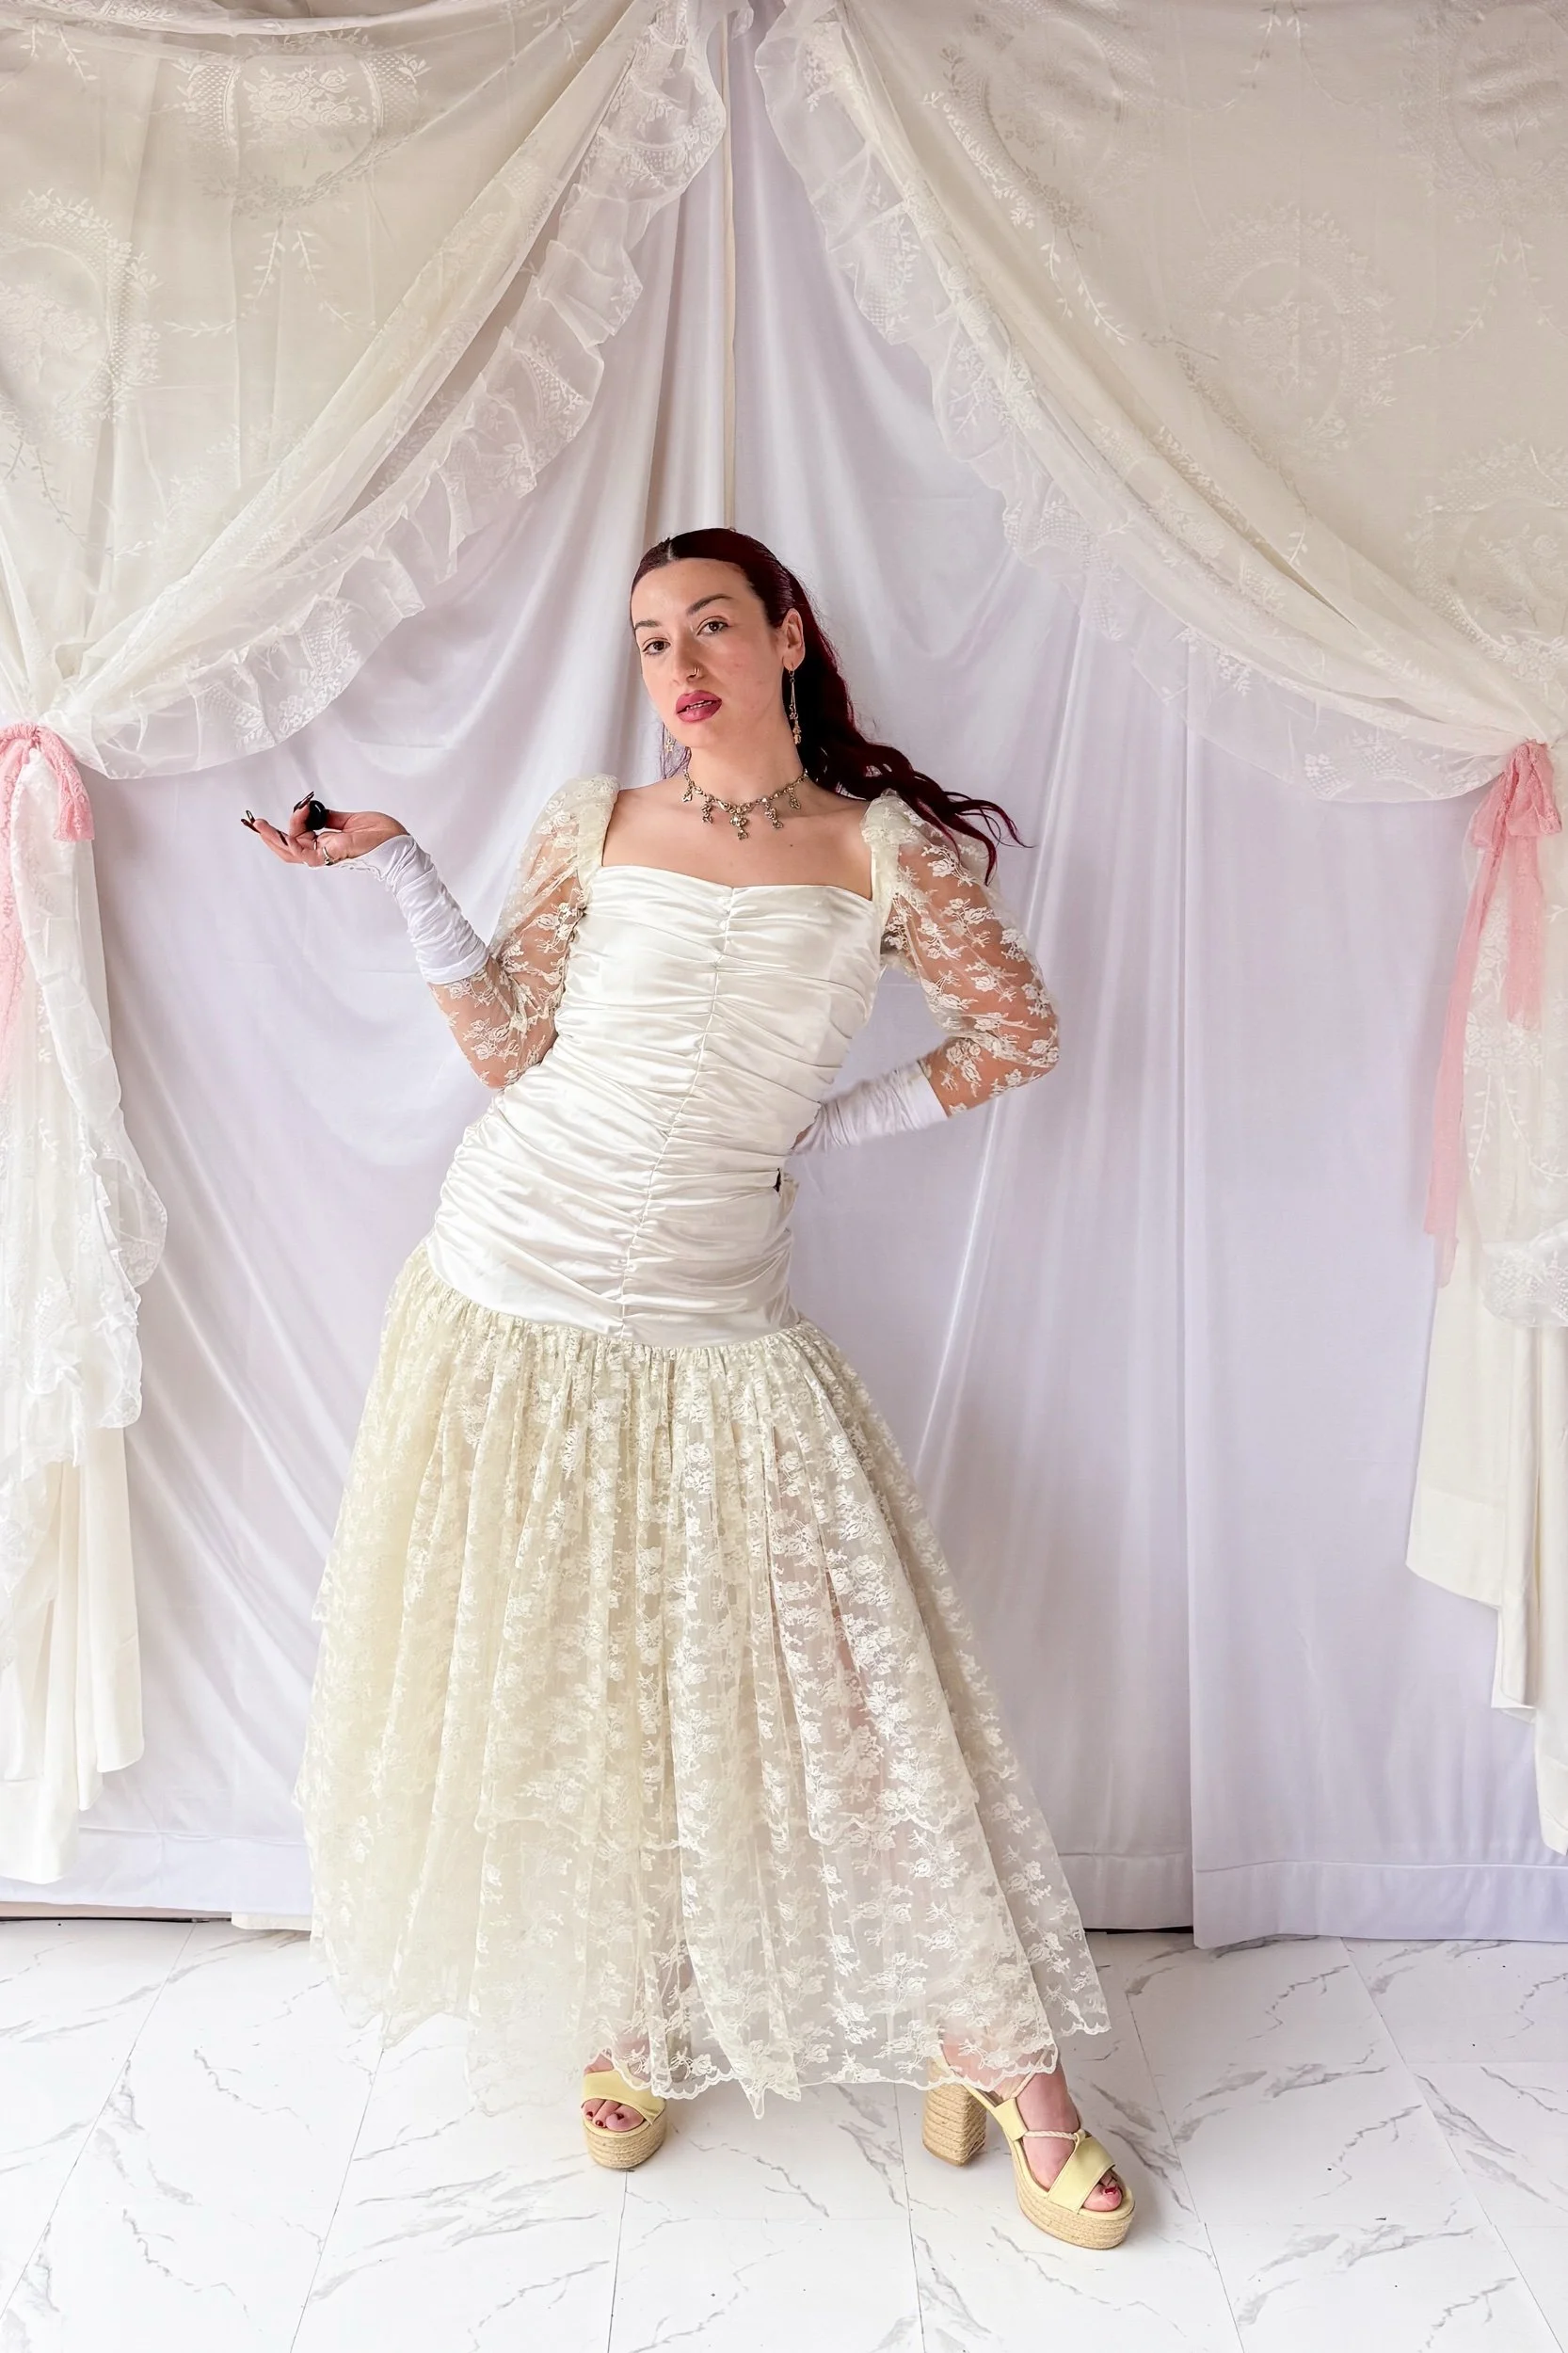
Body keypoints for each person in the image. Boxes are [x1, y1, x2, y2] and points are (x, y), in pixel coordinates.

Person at [243, 528, 1132, 2249]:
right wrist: (404, 865)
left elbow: (1013, 1036)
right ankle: (635, 2006)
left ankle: (1006, 2061)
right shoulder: (595, 822)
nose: (680, 665)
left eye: (710, 625)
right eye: (651, 640)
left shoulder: (880, 853)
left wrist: (821, 1128)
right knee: (585, 1665)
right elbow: (510, 1047)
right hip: (506, 1278)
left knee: (859, 1696)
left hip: (716, 1313)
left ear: (786, 636)